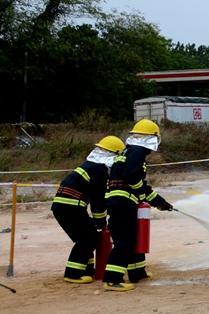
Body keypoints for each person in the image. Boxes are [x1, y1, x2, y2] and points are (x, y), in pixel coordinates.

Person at [102, 119, 174, 292]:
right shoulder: (137, 152)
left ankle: (137, 272)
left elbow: (141, 186)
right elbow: (132, 177)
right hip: (123, 202)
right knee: (124, 241)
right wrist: (142, 194)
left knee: (132, 238)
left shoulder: (129, 152)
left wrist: (161, 203)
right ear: (150, 138)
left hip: (121, 201)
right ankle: (112, 279)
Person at [52, 135, 124, 284]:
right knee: (88, 238)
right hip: (71, 207)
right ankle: (72, 274)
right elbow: (97, 200)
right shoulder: (99, 170)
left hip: (64, 206)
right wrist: (101, 222)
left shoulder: (91, 165)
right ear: (113, 155)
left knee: (87, 237)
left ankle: (87, 269)